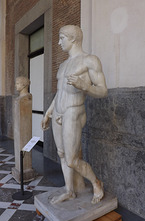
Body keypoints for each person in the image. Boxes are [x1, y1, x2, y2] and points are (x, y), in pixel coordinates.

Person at [42, 25, 108, 204]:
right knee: (62, 154)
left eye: (61, 38)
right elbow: (59, 92)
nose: (59, 42)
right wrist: (48, 112)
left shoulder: (90, 60)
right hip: (58, 112)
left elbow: (103, 91)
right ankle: (69, 190)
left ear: (73, 39)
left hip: (74, 111)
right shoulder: (63, 65)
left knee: (72, 159)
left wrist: (84, 86)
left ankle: (96, 182)